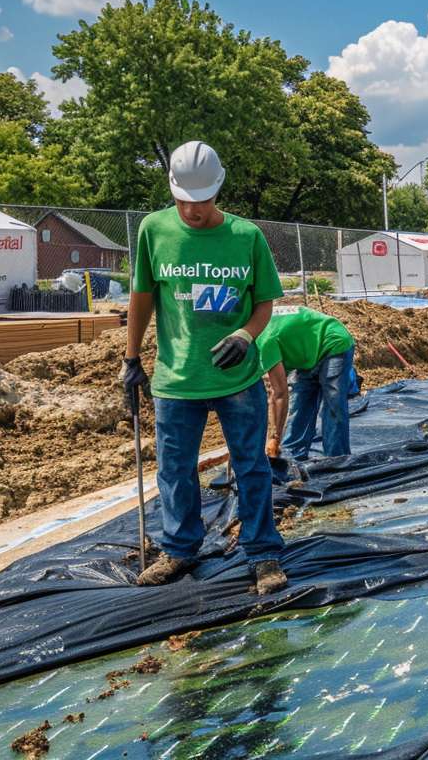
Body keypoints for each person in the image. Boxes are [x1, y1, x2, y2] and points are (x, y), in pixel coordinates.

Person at [121, 141, 289, 594]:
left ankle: (263, 551)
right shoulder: (154, 231)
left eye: (202, 201)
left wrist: (245, 335)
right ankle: (179, 549)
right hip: (177, 378)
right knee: (174, 469)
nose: (192, 212)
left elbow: (264, 303)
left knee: (251, 466)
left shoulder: (246, 237)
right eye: (183, 202)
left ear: (218, 190)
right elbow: (141, 296)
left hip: (238, 379)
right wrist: (131, 357)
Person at [259, 305, 356, 461]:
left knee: (333, 403)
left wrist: (274, 436)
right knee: (300, 402)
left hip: (333, 342)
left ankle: (337, 460)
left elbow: (279, 393)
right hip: (306, 349)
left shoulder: (264, 342)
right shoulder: (258, 325)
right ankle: (291, 456)